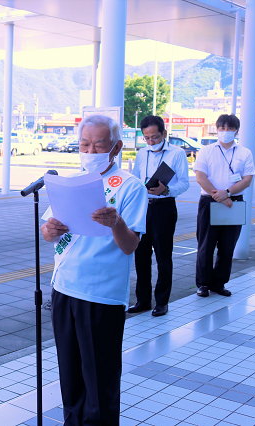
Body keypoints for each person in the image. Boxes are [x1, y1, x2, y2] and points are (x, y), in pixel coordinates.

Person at [41, 114, 147, 425]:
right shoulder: (70, 182)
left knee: (99, 379)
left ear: (116, 147)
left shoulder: (130, 186)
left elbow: (130, 245)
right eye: (84, 144)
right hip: (63, 288)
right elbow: (49, 233)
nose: (90, 151)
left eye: (98, 145)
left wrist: (116, 223)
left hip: (101, 295)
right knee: (70, 374)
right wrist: (50, 230)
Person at [130, 115, 189, 316]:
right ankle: (143, 300)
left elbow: (185, 183)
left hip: (164, 207)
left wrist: (166, 189)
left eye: (154, 137)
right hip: (143, 207)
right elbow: (136, 180)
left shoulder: (177, 153)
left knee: (163, 255)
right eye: (146, 138)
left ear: (164, 133)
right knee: (141, 255)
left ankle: (162, 301)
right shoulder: (141, 154)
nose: (151, 142)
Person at [194, 114, 254, 297]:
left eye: (229, 128)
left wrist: (227, 193)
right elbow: (200, 177)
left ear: (237, 130)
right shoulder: (206, 150)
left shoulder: (244, 152)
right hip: (210, 200)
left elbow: (247, 180)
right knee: (206, 244)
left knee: (228, 246)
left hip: (233, 202)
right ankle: (203, 284)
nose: (225, 132)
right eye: (222, 128)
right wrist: (218, 195)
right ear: (217, 129)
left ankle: (218, 283)